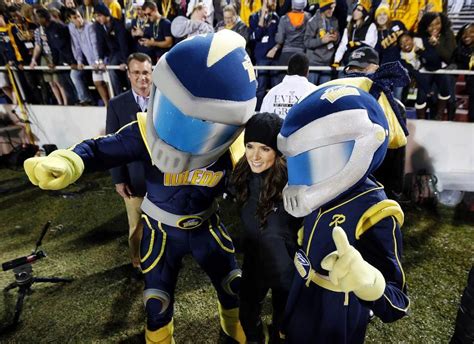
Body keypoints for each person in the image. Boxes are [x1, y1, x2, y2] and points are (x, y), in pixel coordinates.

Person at [23, 30, 256, 344]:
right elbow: (99, 149)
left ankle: (235, 333)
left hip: (204, 225)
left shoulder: (235, 147)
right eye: (176, 111)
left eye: (203, 122)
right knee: (157, 304)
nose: (182, 131)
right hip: (162, 230)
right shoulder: (147, 130)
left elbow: (261, 187)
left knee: (233, 290)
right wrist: (68, 161)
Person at [278, 77, 410, 343]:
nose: (306, 172)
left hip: (337, 312)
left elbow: (398, 301)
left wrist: (368, 281)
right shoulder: (321, 189)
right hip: (302, 295)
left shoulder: (376, 210)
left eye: (321, 157)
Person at [230, 112, 299, 344]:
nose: (255, 156)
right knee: (247, 316)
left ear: (277, 150)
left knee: (284, 326)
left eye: (264, 148)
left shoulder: (296, 182)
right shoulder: (240, 175)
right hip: (254, 264)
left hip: (286, 270)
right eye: (250, 146)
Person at [105, 53, 152, 271]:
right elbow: (112, 145)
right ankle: (138, 261)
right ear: (129, 74)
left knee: (164, 224)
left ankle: (164, 259)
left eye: (146, 72)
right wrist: (118, 179)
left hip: (164, 177)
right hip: (134, 179)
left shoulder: (165, 99)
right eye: (137, 73)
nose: (142, 78)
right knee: (137, 226)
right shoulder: (116, 105)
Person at [260, 52, 316, 119]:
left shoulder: (272, 93)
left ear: (288, 69)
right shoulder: (314, 92)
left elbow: (262, 121)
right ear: (307, 71)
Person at [248, 0, 280, 110]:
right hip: (261, 57)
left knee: (275, 87)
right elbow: (256, 36)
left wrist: (275, 49)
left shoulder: (276, 17)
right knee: (260, 88)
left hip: (274, 58)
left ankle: (274, 112)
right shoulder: (254, 17)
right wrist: (262, 16)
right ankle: (257, 113)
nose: (274, 2)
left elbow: (279, 36)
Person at [304, 0, 339, 85]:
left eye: (333, 8)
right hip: (314, 63)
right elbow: (307, 42)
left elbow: (337, 40)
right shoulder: (313, 21)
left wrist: (336, 39)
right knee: (311, 91)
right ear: (324, 8)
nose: (332, 10)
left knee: (324, 92)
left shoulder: (334, 21)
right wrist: (322, 41)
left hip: (327, 62)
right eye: (329, 8)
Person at [333, 0, 376, 67]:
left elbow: (370, 44)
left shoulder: (370, 26)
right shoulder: (349, 27)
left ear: (364, 13)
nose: (355, 12)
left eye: (358, 10)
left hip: (362, 63)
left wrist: (357, 44)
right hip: (348, 62)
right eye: (355, 9)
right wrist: (337, 60)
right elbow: (343, 45)